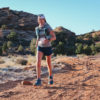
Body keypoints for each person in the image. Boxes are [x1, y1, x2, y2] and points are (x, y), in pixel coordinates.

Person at [34, 14, 56, 86]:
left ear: (44, 19)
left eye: (41, 19)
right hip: (40, 47)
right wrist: (36, 44)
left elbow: (54, 37)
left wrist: (48, 39)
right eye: (39, 19)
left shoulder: (48, 27)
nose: (40, 21)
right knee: (38, 62)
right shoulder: (37, 28)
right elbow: (38, 37)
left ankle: (50, 77)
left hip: (47, 47)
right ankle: (38, 79)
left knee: (48, 63)